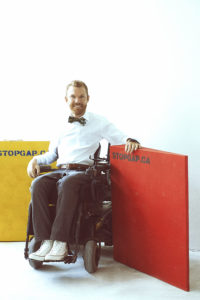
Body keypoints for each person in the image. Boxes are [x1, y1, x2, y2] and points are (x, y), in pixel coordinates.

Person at [27, 80, 141, 262]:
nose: (77, 100)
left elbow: (118, 136)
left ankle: (60, 242)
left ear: (88, 99)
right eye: (73, 96)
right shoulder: (60, 124)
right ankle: (44, 240)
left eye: (81, 97)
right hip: (61, 170)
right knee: (38, 183)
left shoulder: (98, 121)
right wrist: (35, 160)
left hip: (85, 173)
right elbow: (51, 154)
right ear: (66, 99)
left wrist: (129, 139)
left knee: (68, 183)